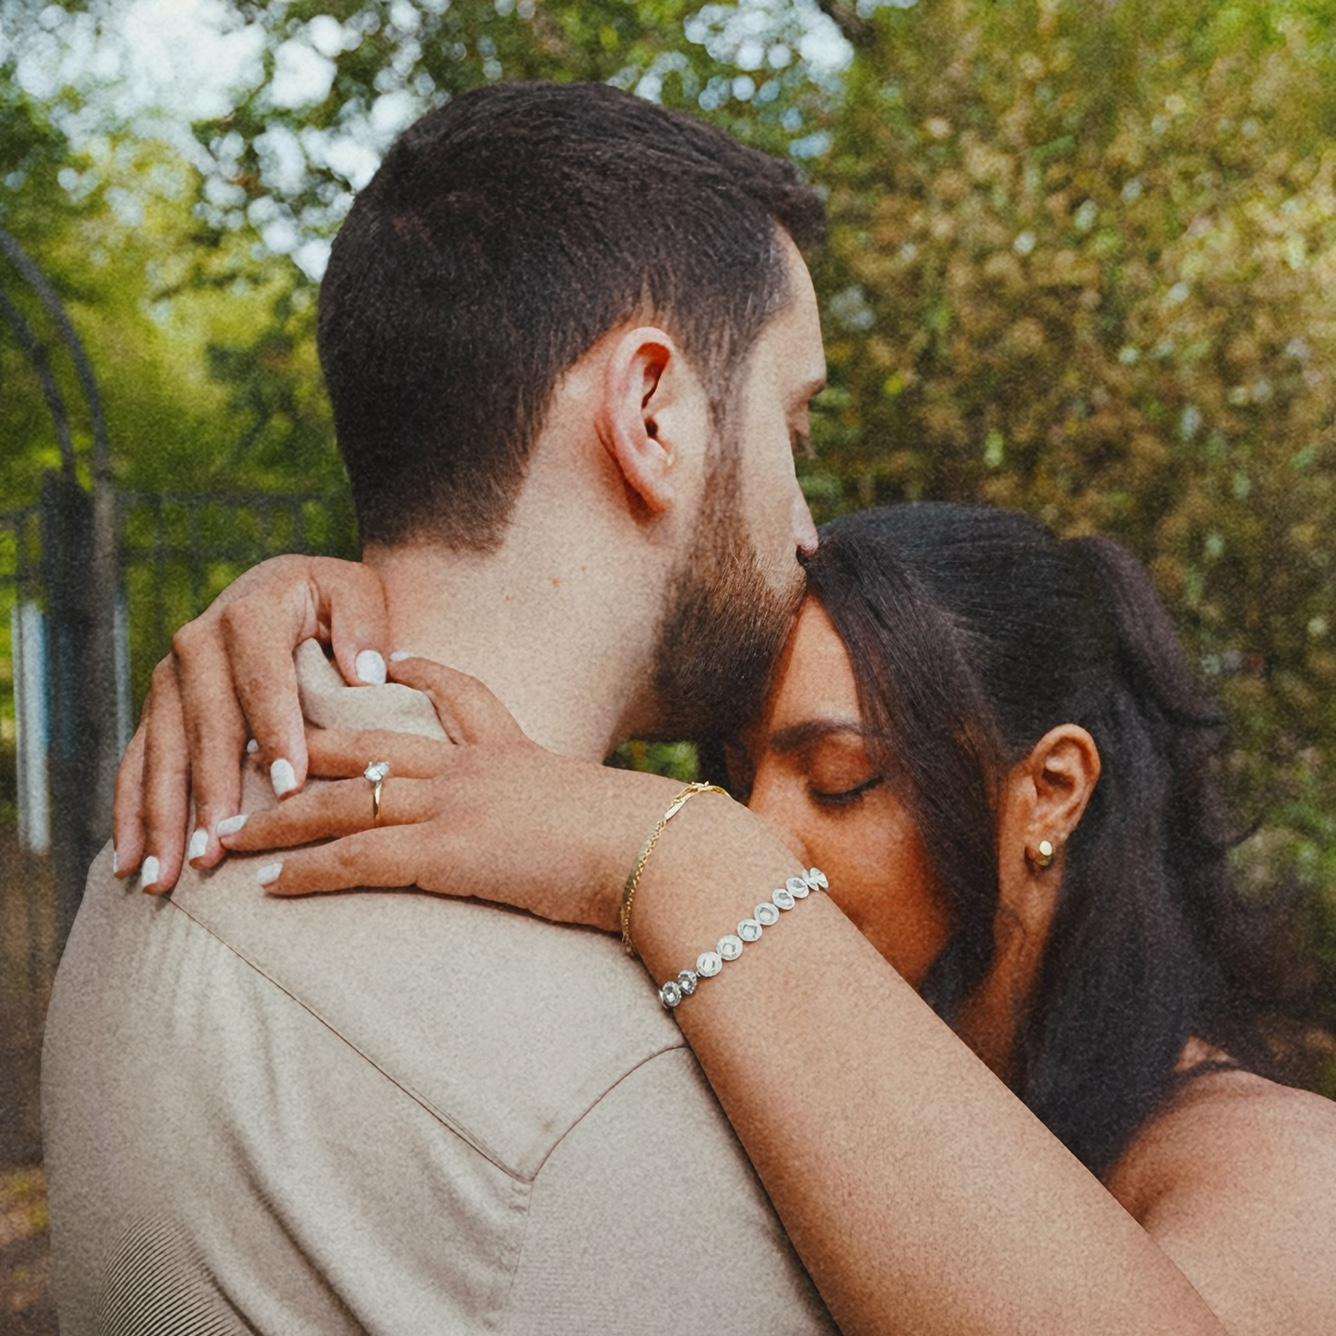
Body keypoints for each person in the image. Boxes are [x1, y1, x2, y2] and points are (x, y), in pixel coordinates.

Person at [119, 502, 1336, 1334]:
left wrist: (683, 852)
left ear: (1051, 790)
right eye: (731, 776)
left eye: (841, 778)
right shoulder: (764, 1053)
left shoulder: (1284, 1174)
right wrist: (318, 619)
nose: (757, 828)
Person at [41, 80, 838, 1333]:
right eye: (795, 427)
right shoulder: (607, 1103)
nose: (806, 528)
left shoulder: (157, 842)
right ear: (650, 415)